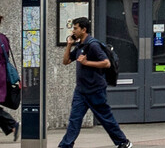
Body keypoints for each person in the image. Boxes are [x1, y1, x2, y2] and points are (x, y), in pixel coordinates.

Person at [55, 18, 129, 148]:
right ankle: (65, 145)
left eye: (76, 28)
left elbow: (106, 63)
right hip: (81, 90)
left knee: (106, 119)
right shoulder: (80, 45)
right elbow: (66, 61)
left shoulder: (93, 45)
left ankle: (123, 142)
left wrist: (86, 63)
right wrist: (69, 44)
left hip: (95, 89)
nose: (73, 30)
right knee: (74, 120)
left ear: (84, 30)